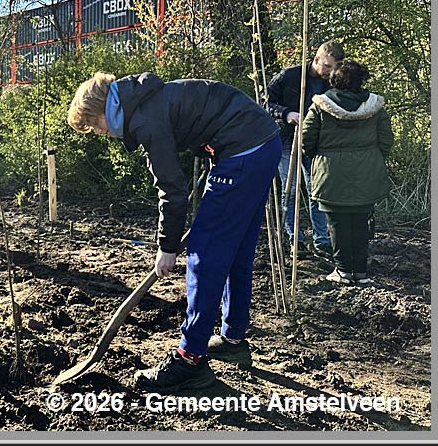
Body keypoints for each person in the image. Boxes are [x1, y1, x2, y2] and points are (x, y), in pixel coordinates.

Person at [67, 72, 281, 395]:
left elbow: (172, 190)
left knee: (203, 253)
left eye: (93, 124)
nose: (98, 132)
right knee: (236, 249)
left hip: (242, 151)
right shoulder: (145, 101)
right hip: (261, 145)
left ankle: (190, 360)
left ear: (102, 109)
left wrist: (166, 246)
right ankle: (233, 340)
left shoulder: (144, 120)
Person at [302, 60, 393, 286]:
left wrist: (319, 157)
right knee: (361, 222)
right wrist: (372, 158)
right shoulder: (376, 107)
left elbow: (307, 140)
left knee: (337, 223)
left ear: (334, 80)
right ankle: (360, 272)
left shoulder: (319, 106)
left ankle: (343, 271)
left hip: (330, 172)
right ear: (361, 80)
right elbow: (386, 140)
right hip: (366, 171)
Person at [265, 40, 345, 258]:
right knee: (289, 191)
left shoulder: (333, 83)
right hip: (285, 140)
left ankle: (321, 241)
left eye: (334, 68)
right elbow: (265, 102)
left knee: (316, 191)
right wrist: (286, 114)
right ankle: (295, 241)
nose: (330, 72)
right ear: (317, 59)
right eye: (327, 67)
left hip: (314, 144)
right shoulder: (289, 76)